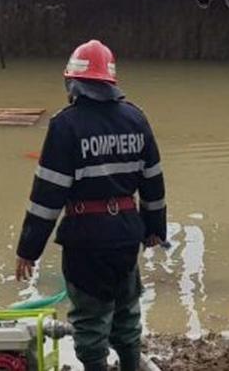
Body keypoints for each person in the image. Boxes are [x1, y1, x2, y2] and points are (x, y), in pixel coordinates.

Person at [14, 39, 167, 371]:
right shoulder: (136, 119)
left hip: (87, 238)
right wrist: (154, 229)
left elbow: (47, 196)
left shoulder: (66, 125)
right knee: (127, 315)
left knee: (90, 322)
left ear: (73, 82)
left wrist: (29, 249)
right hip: (127, 235)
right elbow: (153, 181)